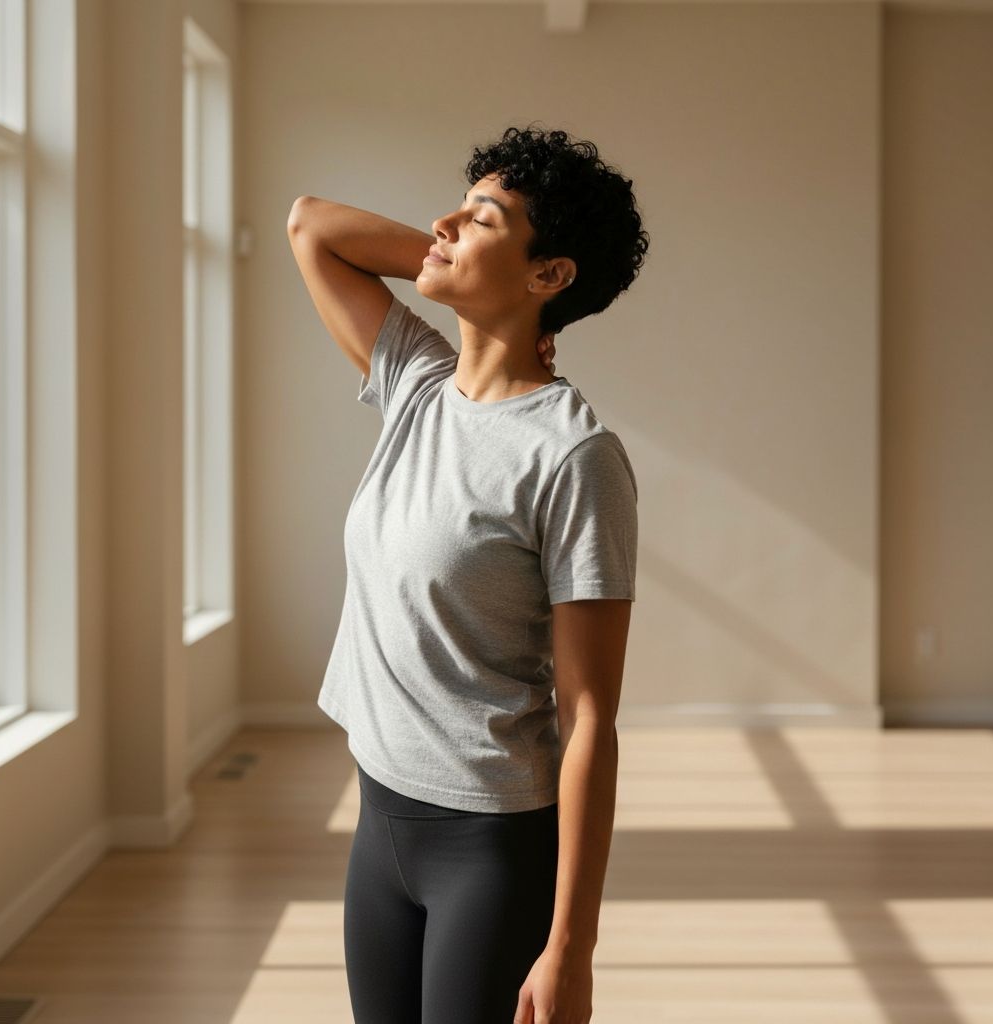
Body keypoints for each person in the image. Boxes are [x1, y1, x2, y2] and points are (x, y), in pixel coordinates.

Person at [287, 124, 648, 1024]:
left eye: (479, 215)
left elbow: (592, 717)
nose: (441, 223)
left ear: (550, 274)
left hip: (488, 848)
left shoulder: (574, 457)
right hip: (378, 821)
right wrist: (462, 255)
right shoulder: (416, 381)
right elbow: (310, 226)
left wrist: (574, 947)